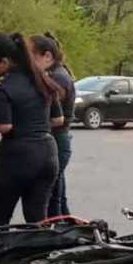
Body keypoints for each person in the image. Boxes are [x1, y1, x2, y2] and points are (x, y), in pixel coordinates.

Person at [0, 33, 63, 226]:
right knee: (37, 218)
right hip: (48, 155)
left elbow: (4, 126)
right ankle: (40, 253)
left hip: (18, 158)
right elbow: (58, 119)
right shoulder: (40, 78)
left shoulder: (4, 86)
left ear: (4, 61)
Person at [31, 33, 75, 217]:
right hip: (59, 140)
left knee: (50, 195)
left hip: (58, 140)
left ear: (48, 55)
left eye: (33, 55)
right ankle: (65, 225)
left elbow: (57, 116)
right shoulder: (58, 73)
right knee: (58, 192)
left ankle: (55, 232)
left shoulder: (57, 77)